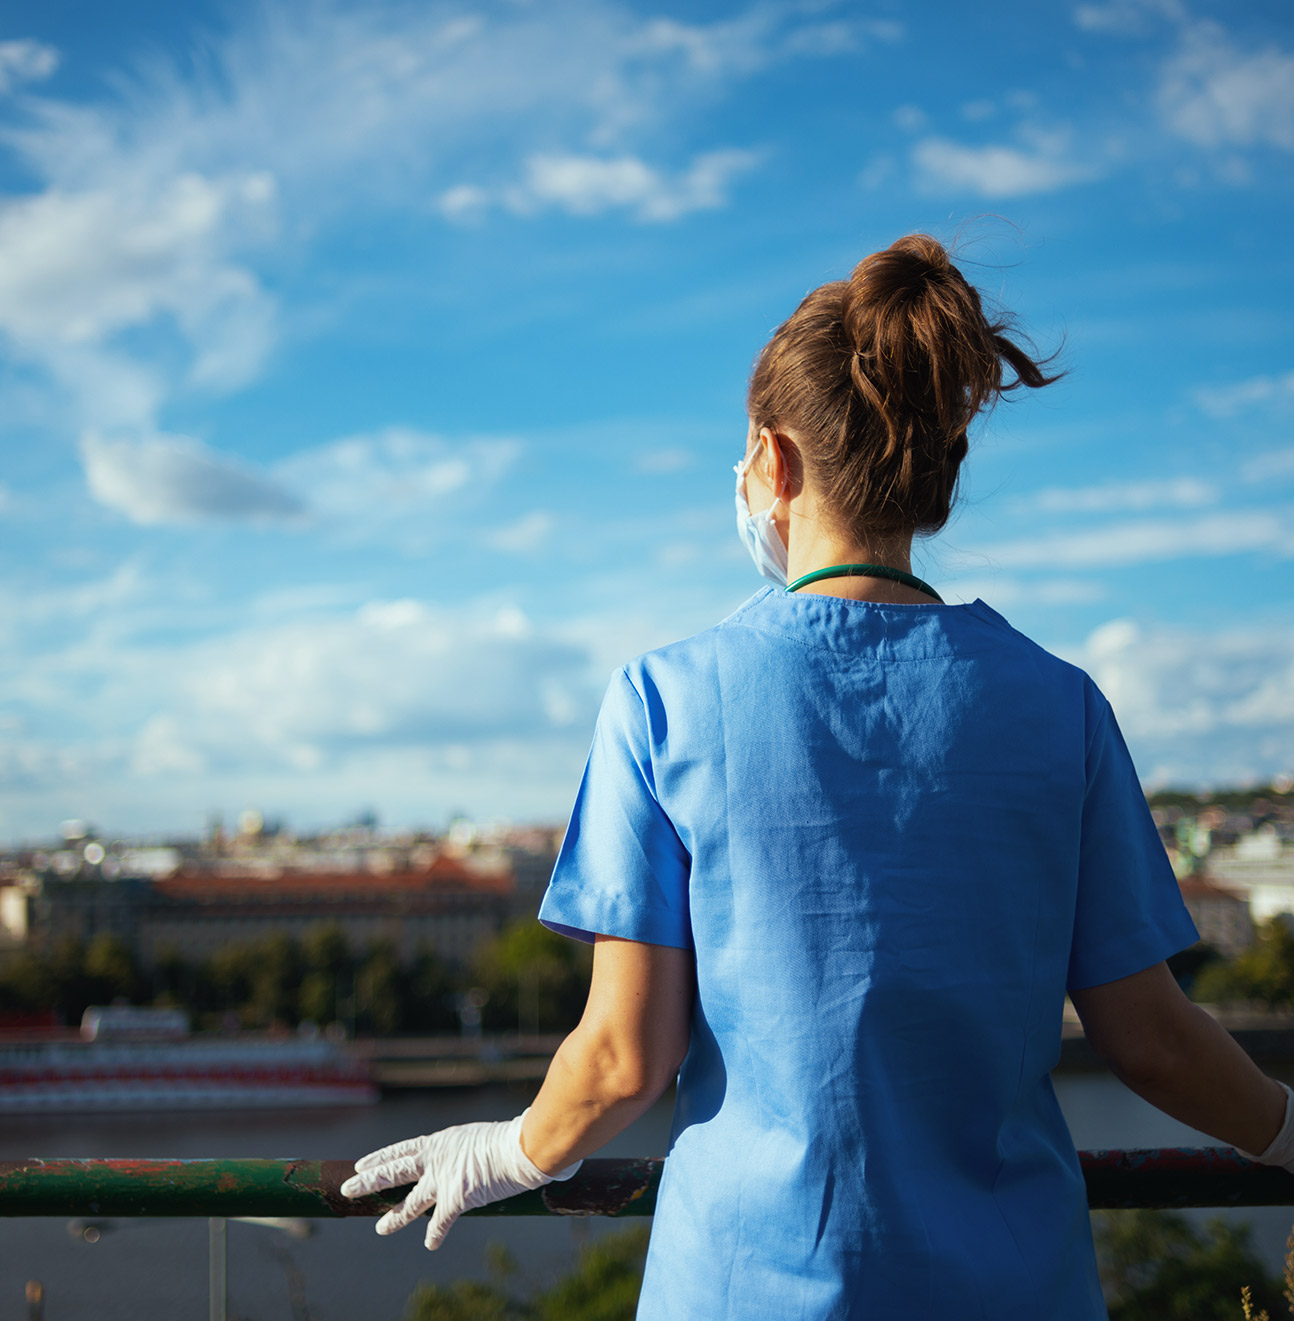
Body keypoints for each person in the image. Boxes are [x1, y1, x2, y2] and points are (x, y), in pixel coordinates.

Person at [342, 234, 1294, 1318]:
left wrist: (509, 1150)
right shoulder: (1059, 703)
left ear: (774, 463)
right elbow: (1155, 1039)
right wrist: (1286, 1126)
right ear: (934, 481)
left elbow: (620, 1059)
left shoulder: (663, 700)